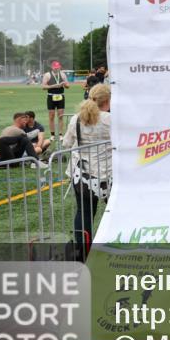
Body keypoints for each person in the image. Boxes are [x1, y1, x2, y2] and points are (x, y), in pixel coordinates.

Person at [62, 83, 112, 261]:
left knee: (84, 213)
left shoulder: (76, 118)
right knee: (114, 211)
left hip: (81, 174)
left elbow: (66, 144)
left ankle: (83, 252)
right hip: (107, 174)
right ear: (107, 100)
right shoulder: (110, 119)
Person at [42, 60, 70, 139]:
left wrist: (65, 85)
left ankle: (61, 134)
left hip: (61, 96)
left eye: (57, 68)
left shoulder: (63, 75)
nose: (56, 69)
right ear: (52, 67)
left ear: (60, 67)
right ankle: (52, 135)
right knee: (51, 116)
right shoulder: (47, 75)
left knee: (61, 116)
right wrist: (55, 86)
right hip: (51, 96)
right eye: (55, 68)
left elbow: (68, 86)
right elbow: (43, 87)